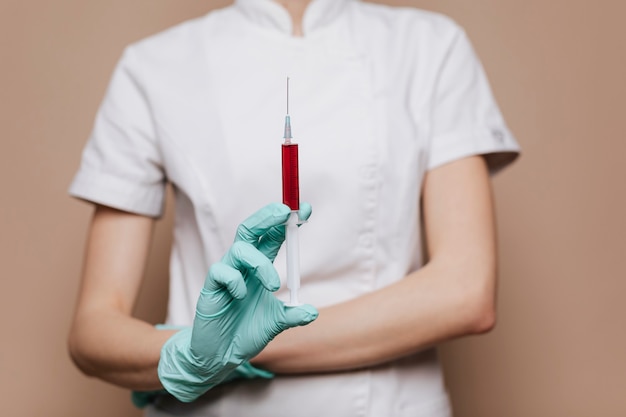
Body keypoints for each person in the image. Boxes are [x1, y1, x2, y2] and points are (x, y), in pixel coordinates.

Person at [67, 0, 520, 416]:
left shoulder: (431, 46)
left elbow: (465, 293)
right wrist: (189, 355)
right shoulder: (153, 66)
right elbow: (93, 329)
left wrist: (229, 351)